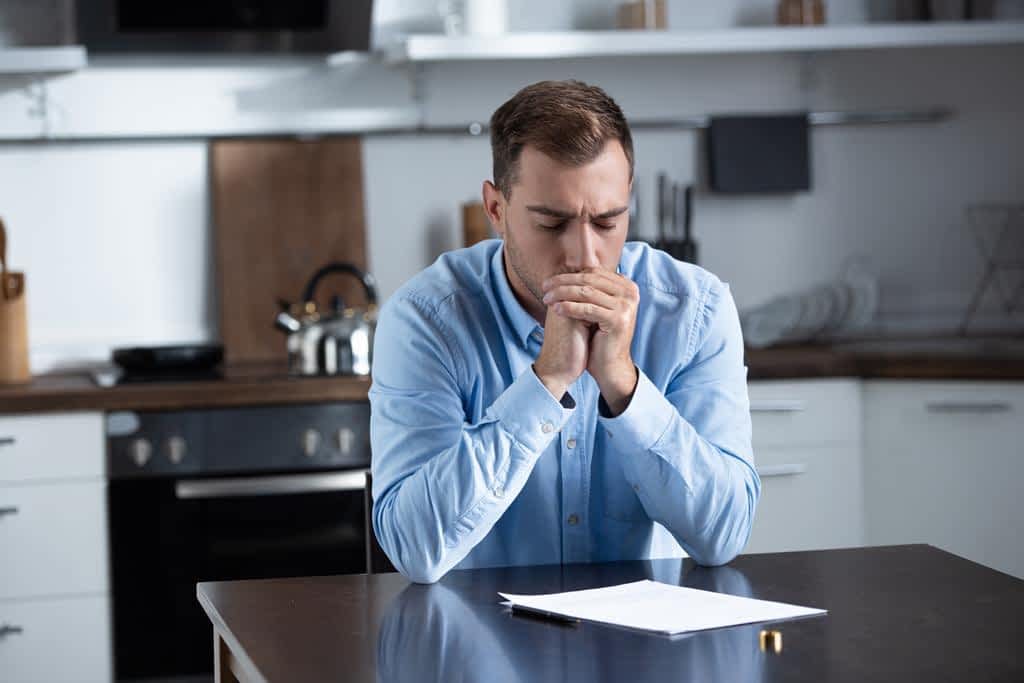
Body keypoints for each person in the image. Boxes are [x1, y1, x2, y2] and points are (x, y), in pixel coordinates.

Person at [369, 80, 759, 584]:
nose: (584, 256)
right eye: (552, 225)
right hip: (482, 628)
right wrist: (547, 381)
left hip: (644, 629)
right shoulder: (425, 320)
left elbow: (723, 537)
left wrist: (623, 385)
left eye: (607, 222)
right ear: (496, 210)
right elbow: (413, 549)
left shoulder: (695, 311)